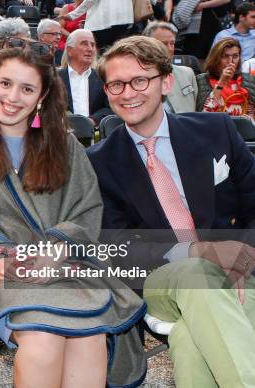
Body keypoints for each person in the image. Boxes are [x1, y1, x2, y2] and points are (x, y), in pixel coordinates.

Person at [0, 47, 146, 388]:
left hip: (66, 269)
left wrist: (58, 247)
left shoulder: (66, 146)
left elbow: (87, 209)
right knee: (43, 339)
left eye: (27, 89)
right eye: (6, 84)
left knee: (89, 335)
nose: (12, 97)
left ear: (42, 96)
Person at [87, 35, 255, 388]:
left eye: (140, 80)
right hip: (161, 279)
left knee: (192, 344)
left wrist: (244, 253)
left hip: (243, 265)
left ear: (165, 82)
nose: (127, 92)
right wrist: (199, 252)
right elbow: (115, 246)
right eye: (116, 84)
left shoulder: (217, 130)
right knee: (197, 275)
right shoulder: (98, 163)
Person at [59, 29, 112, 127]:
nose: (90, 49)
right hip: (62, 133)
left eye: (92, 45)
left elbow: (111, 107)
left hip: (96, 134)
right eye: (84, 44)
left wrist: (92, 121)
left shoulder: (103, 77)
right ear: (70, 50)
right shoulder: (55, 78)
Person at [143, 21, 198, 113]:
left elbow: (199, 110)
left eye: (172, 43)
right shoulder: (138, 77)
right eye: (164, 43)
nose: (170, 48)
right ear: (147, 45)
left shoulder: (187, 73)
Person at [196, 37, 255, 119]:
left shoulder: (249, 80)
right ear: (216, 58)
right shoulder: (202, 80)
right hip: (216, 128)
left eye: (235, 56)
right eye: (225, 56)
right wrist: (222, 82)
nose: (231, 61)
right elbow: (204, 114)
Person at [61, 0, 133, 51]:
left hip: (104, 25)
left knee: (101, 57)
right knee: (116, 54)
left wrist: (72, 15)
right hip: (124, 21)